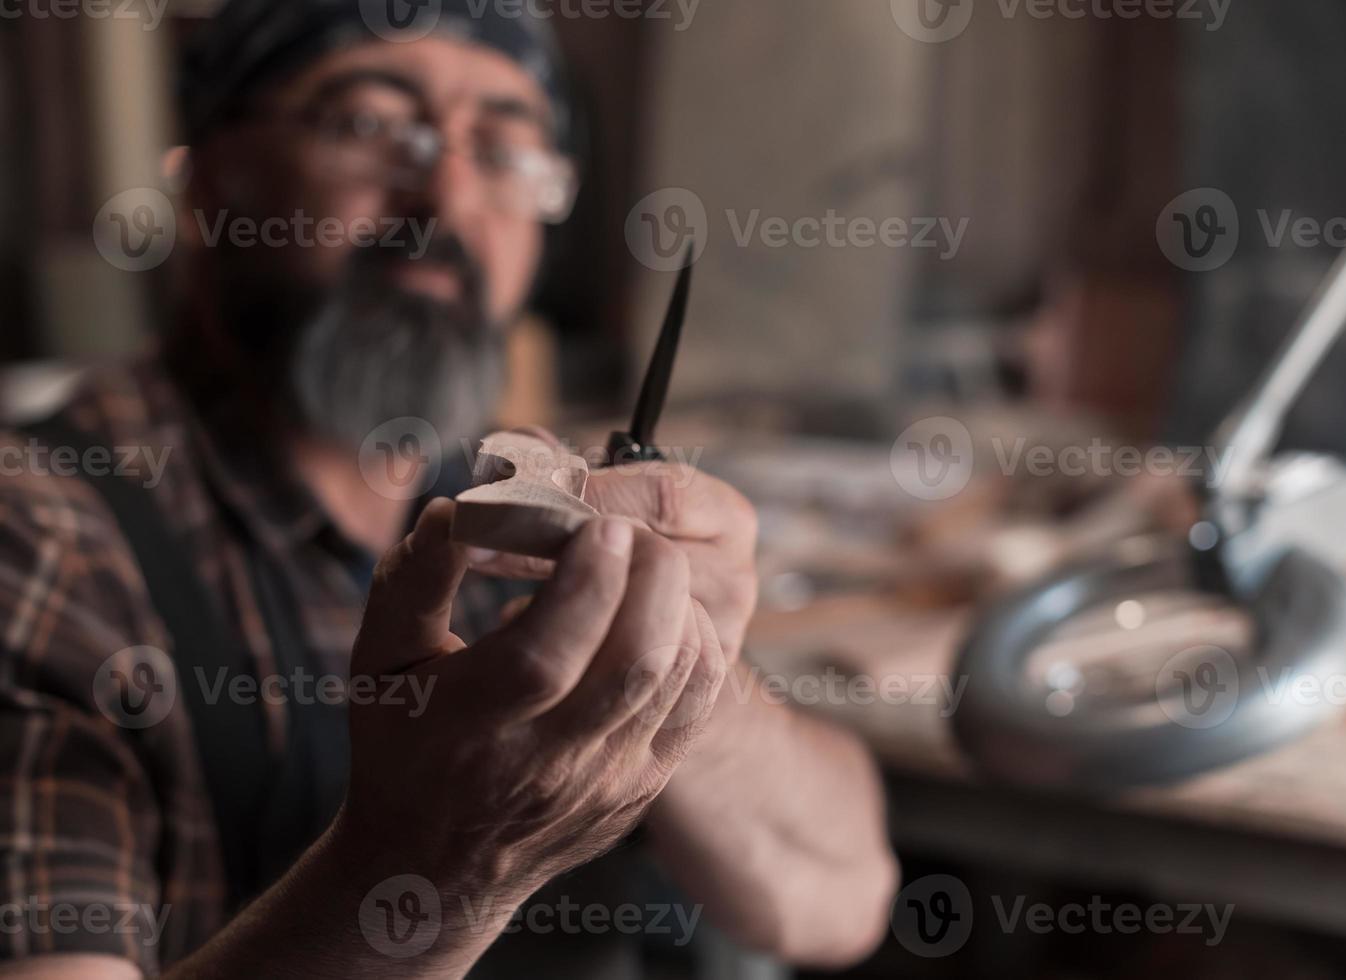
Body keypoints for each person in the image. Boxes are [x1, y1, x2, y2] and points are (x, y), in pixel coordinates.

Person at [0, 2, 897, 976]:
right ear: (210, 176)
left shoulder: (524, 496)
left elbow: (843, 896)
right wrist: (434, 863)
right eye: (369, 123)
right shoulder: (43, 529)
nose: (445, 195)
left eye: (506, 149)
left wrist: (693, 677)